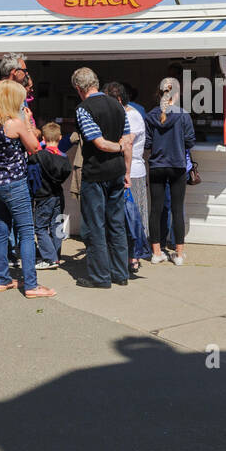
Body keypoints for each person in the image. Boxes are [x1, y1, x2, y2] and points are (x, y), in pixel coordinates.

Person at [0, 80, 52, 298]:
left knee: (2, 228)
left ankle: (2, 279)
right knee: (26, 232)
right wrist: (27, 122)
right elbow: (35, 148)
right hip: (14, 183)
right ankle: (31, 285)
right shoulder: (14, 123)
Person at [73, 66, 130, 288]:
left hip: (96, 174)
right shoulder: (117, 106)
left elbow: (99, 143)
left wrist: (115, 147)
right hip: (116, 172)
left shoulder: (83, 108)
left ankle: (100, 277)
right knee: (116, 224)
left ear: (79, 88)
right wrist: (126, 171)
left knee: (95, 225)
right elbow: (127, 141)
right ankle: (120, 273)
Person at [145, 76, 195, 266]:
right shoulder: (183, 115)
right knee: (177, 209)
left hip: (157, 166)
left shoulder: (150, 115)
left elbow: (148, 143)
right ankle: (179, 254)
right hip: (177, 165)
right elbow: (190, 141)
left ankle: (157, 252)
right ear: (177, 93)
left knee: (156, 210)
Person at [106, 81, 148, 274]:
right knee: (121, 219)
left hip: (133, 173)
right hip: (121, 172)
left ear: (119, 99)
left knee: (134, 217)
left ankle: (134, 258)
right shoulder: (121, 114)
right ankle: (124, 257)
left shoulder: (132, 116)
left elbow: (126, 144)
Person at [32, 121, 71, 269]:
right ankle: (56, 255)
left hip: (44, 196)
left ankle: (49, 258)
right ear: (60, 137)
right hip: (58, 195)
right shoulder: (64, 158)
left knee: (40, 227)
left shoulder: (41, 155)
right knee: (57, 226)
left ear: (43, 138)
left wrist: (40, 145)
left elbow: (30, 160)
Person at [0, 53, 33, 118]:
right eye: (24, 70)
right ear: (14, 72)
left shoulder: (20, 92)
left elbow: (26, 118)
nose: (26, 73)